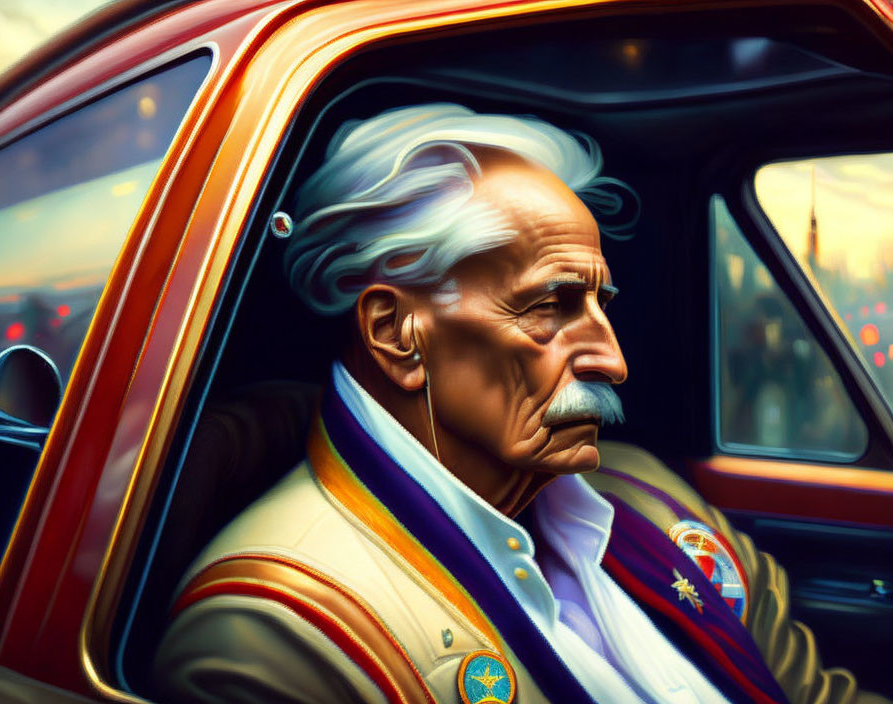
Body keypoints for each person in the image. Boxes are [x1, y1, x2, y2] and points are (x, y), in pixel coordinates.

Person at [154, 104, 887, 704]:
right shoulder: (273, 633)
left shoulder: (651, 493)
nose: (613, 360)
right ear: (395, 333)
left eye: (601, 303)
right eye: (550, 306)